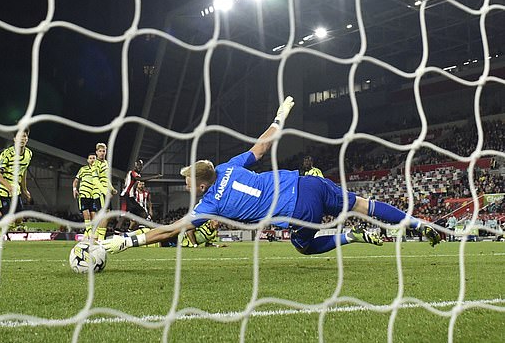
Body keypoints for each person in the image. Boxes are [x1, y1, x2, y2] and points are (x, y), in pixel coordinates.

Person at [102, 96, 442, 255]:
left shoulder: (209, 206)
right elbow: (261, 147)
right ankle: (416, 224)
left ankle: (350, 239)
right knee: (364, 205)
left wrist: (127, 241)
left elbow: (171, 231)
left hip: (298, 209)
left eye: (189, 182)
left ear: (203, 185)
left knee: (304, 247)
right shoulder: (228, 166)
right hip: (307, 181)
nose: (187, 185)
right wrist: (279, 117)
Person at [0, 128, 32, 247]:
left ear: (27, 139)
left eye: (24, 136)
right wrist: (8, 186)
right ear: (14, 139)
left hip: (16, 190)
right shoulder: (7, 153)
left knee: (19, 219)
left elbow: (23, 172)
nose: (22, 139)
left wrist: (24, 189)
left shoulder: (29, 154)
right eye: (19, 137)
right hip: (2, 190)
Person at [120, 161, 161, 231]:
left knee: (142, 215)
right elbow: (139, 179)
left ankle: (131, 231)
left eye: (141, 166)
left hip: (130, 197)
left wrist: (150, 210)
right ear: (135, 166)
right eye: (138, 165)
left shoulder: (146, 192)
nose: (139, 167)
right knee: (126, 215)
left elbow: (149, 201)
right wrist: (154, 176)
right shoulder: (133, 173)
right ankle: (118, 231)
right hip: (126, 196)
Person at [92, 142, 118, 240]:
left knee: (107, 215)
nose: (102, 153)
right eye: (100, 151)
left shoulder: (106, 163)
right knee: (105, 215)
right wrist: (105, 191)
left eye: (104, 151)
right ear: (96, 152)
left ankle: (96, 237)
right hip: (98, 192)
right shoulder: (95, 164)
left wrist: (112, 189)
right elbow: (95, 180)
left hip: (105, 192)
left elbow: (106, 179)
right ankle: (100, 239)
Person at [72, 153, 98, 235]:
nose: (92, 160)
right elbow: (76, 181)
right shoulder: (83, 169)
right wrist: (74, 189)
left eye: (94, 158)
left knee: (94, 216)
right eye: (90, 158)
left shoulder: (98, 171)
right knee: (86, 215)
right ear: (88, 160)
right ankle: (90, 233)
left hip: (94, 195)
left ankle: (89, 233)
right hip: (83, 195)